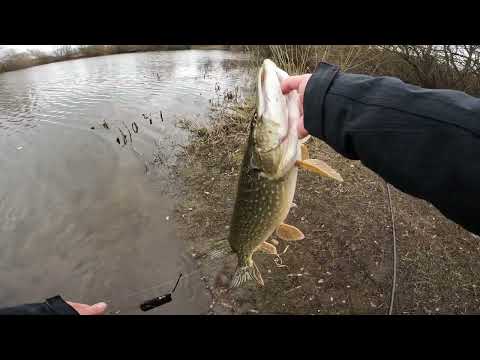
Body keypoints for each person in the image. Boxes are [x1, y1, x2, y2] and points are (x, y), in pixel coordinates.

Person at [2, 61, 479, 314]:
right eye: (258, 125)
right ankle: (249, 255)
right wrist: (336, 104)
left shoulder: (272, 160)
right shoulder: (273, 161)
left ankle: (247, 254)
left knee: (251, 230)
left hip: (283, 167)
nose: (261, 125)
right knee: (251, 238)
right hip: (269, 199)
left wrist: (335, 106)